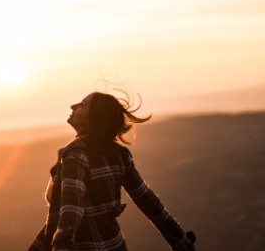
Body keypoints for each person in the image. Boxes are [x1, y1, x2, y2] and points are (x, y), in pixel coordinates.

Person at [28, 91, 196, 251]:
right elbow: (150, 203)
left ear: (94, 118)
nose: (73, 106)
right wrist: (181, 243)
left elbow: (72, 207)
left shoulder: (76, 156)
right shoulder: (118, 155)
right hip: (114, 245)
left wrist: (62, 245)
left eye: (82, 105)